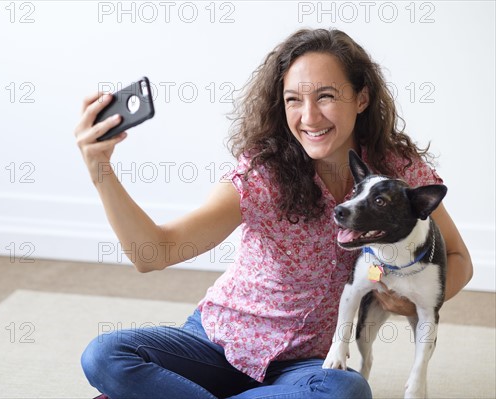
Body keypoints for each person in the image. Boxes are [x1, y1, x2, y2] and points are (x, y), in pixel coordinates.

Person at [74, 28, 473, 399]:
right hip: (216, 344)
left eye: (327, 96)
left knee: (344, 391)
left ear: (362, 98)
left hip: (303, 368)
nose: (309, 117)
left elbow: (458, 259)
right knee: (104, 354)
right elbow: (156, 252)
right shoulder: (261, 175)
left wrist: (412, 301)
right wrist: (99, 170)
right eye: (294, 100)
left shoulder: (399, 175)